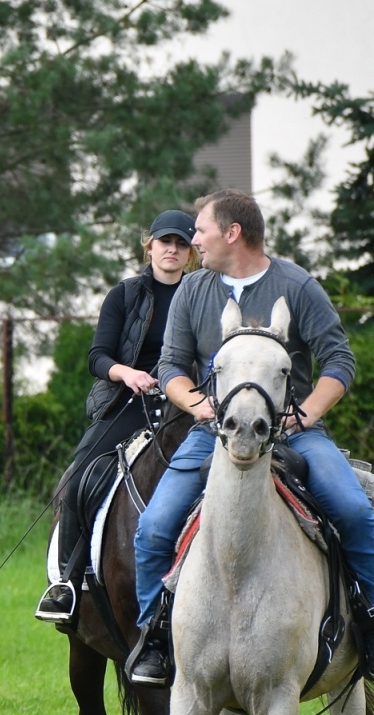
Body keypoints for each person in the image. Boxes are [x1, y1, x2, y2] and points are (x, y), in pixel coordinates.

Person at [126, 188, 374, 686]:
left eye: (200, 230)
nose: (193, 240)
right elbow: (172, 366)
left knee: (354, 511)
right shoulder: (194, 290)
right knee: (153, 528)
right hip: (211, 433)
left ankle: (369, 626)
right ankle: (155, 638)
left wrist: (302, 416)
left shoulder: (298, 285)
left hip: (294, 434)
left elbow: (340, 361)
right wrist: (202, 406)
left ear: (232, 233)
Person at [35, 209, 198, 622]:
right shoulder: (124, 295)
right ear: (150, 246)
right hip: (131, 403)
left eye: (181, 244)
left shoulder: (201, 294)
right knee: (79, 476)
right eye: (165, 242)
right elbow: (97, 356)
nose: (172, 250)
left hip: (190, 407)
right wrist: (126, 373)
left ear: (191, 251)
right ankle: (67, 584)